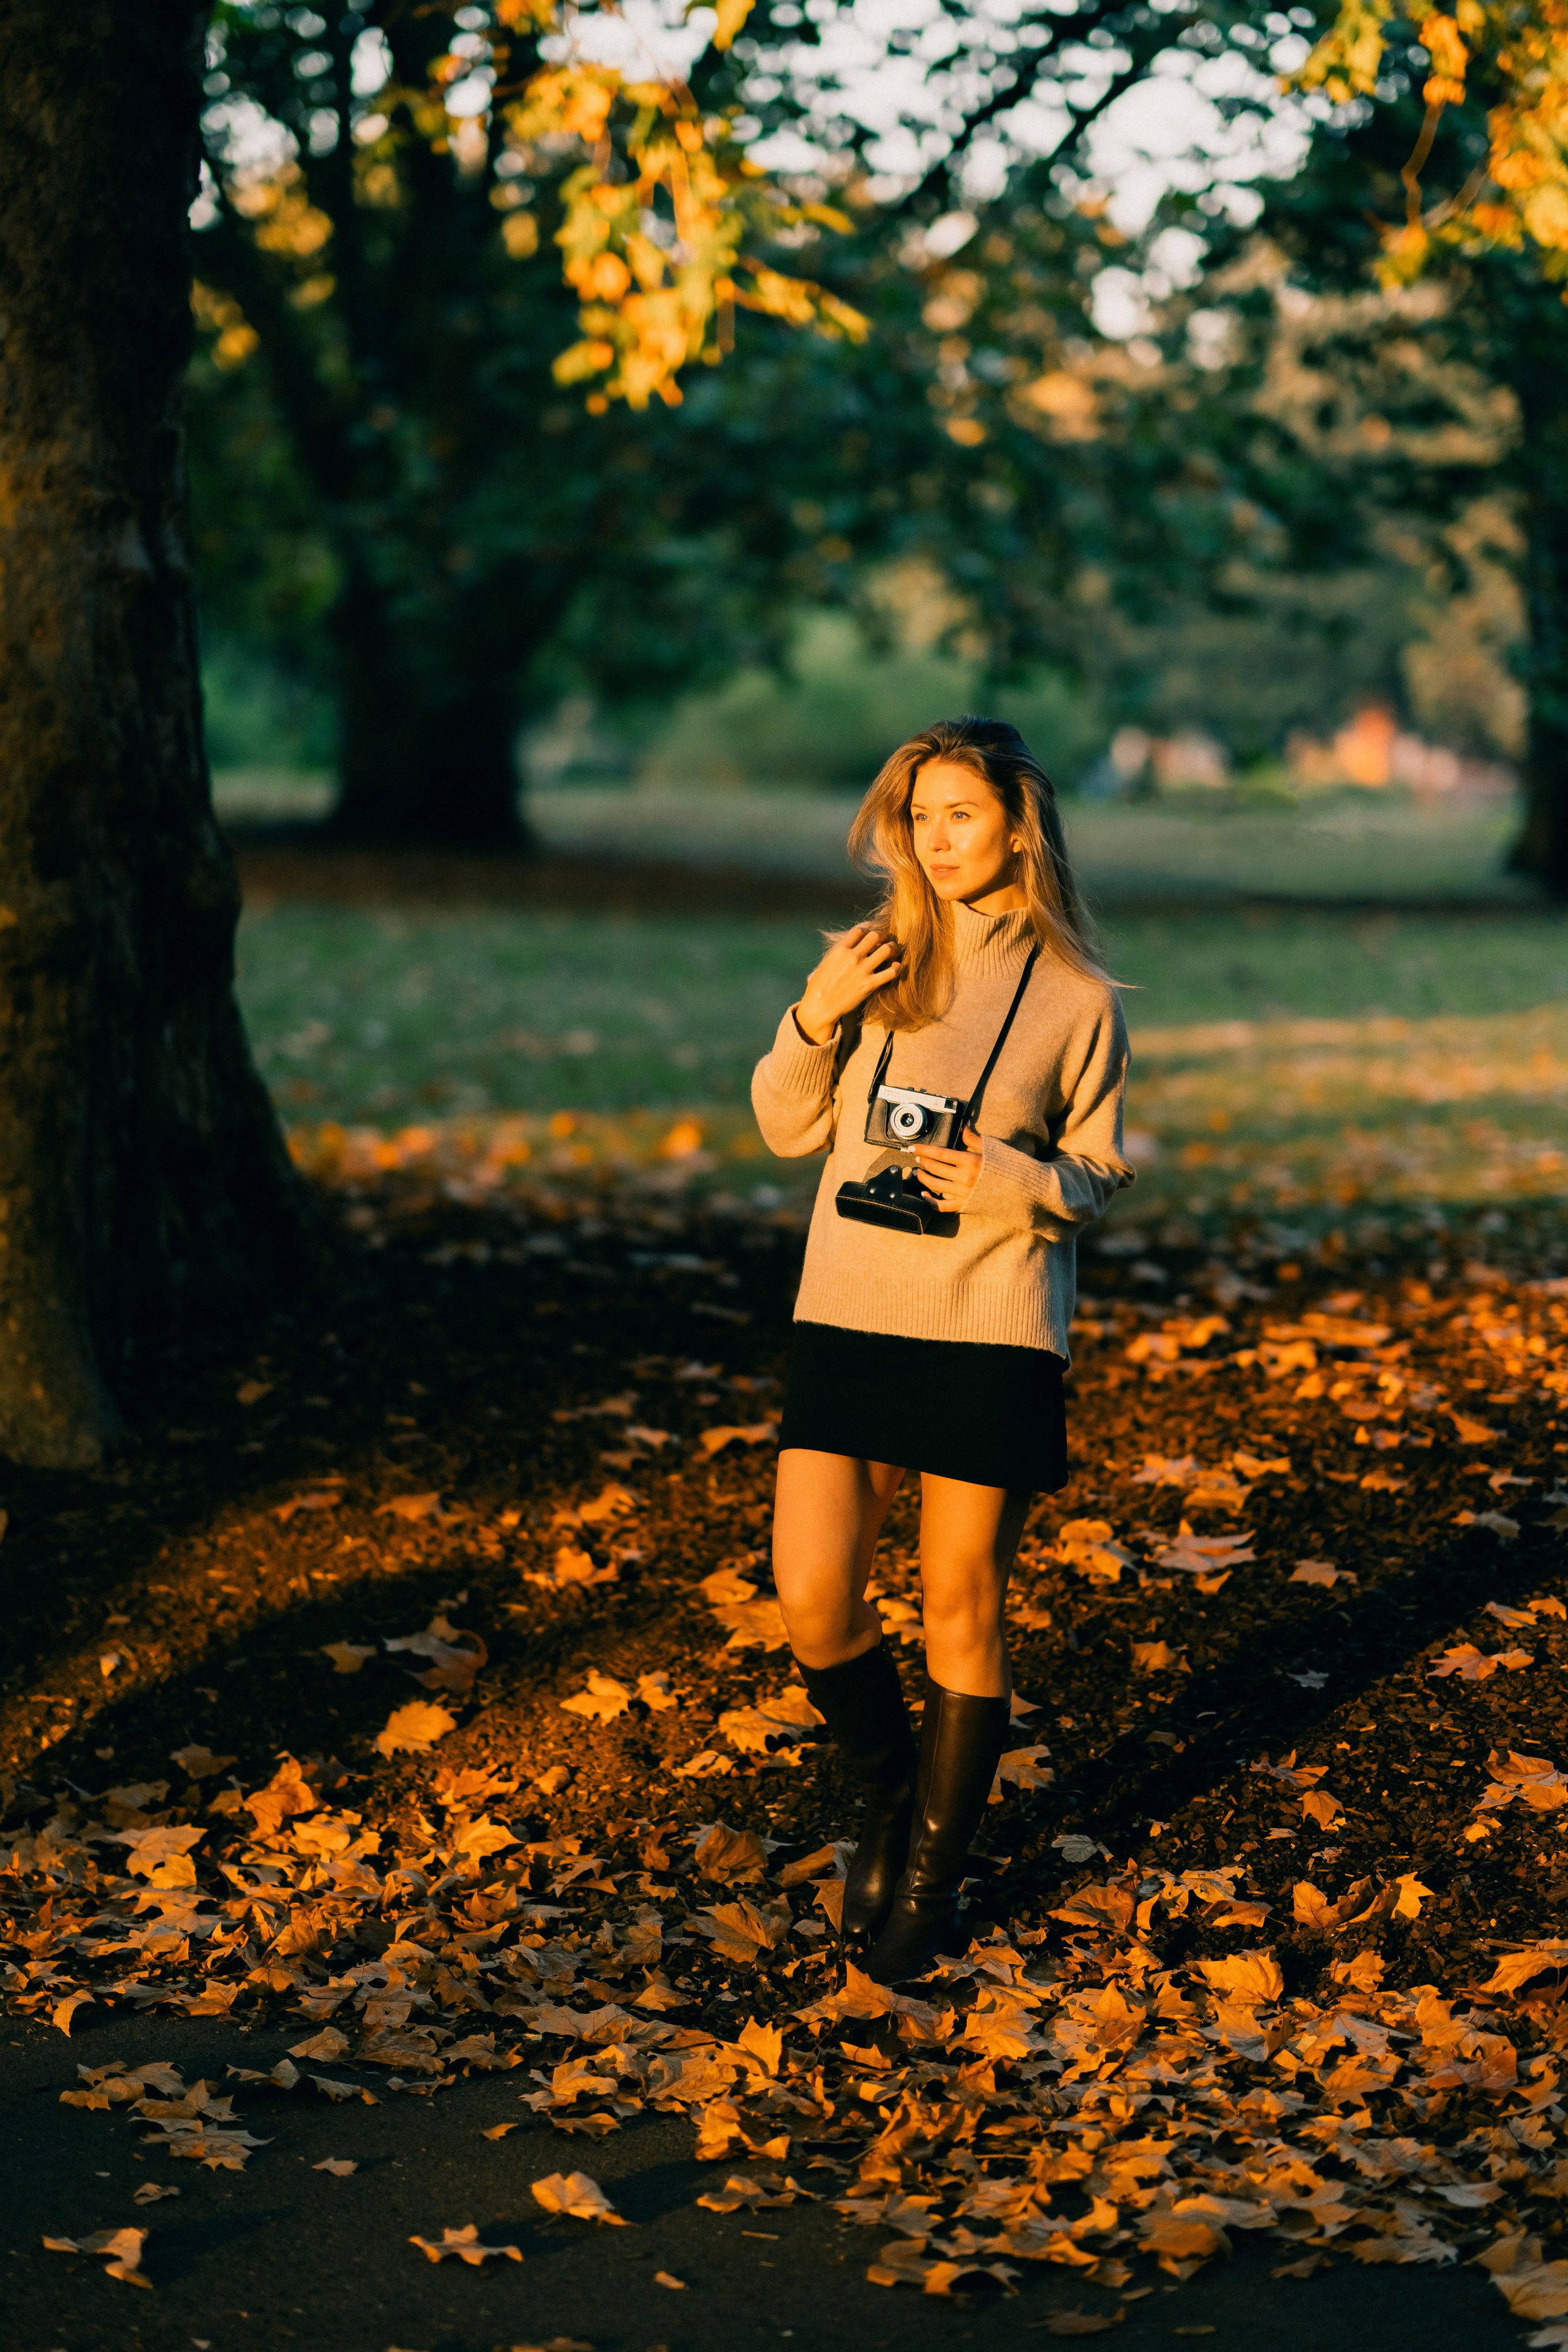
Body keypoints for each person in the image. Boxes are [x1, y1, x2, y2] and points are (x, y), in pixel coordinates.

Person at [751, 714, 1133, 1983]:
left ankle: (931, 1877)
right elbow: (785, 1129)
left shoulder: (1077, 1001)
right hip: (847, 1310)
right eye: (919, 818)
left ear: (1019, 827)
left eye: (960, 815)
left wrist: (1006, 1179)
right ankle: (888, 1795)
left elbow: (1095, 1174)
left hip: (985, 1323)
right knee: (812, 1597)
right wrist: (813, 1015)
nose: (935, 840)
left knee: (958, 1608)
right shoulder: (872, 964)